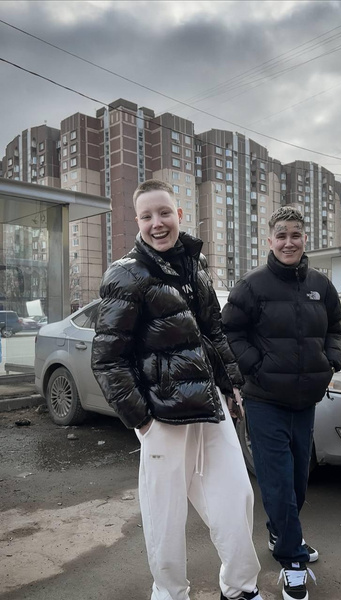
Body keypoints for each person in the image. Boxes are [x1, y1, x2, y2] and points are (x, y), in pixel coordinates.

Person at [91, 179, 262, 600]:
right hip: (162, 416)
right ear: (138, 221)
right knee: (165, 517)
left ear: (179, 215)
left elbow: (212, 331)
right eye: (147, 216)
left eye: (164, 213)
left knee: (236, 496)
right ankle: (170, 594)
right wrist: (143, 422)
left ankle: (239, 588)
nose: (157, 223)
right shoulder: (125, 273)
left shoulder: (194, 265)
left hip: (210, 405)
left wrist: (231, 386)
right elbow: (108, 358)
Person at [222, 206, 341, 600]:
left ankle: (281, 532)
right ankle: (293, 561)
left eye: (296, 234)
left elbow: (335, 327)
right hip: (264, 401)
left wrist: (331, 361)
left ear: (305, 238)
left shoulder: (321, 286)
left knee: (297, 481)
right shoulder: (252, 286)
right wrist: (255, 367)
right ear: (269, 241)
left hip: (305, 400)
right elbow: (228, 332)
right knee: (277, 482)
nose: (289, 242)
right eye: (281, 235)